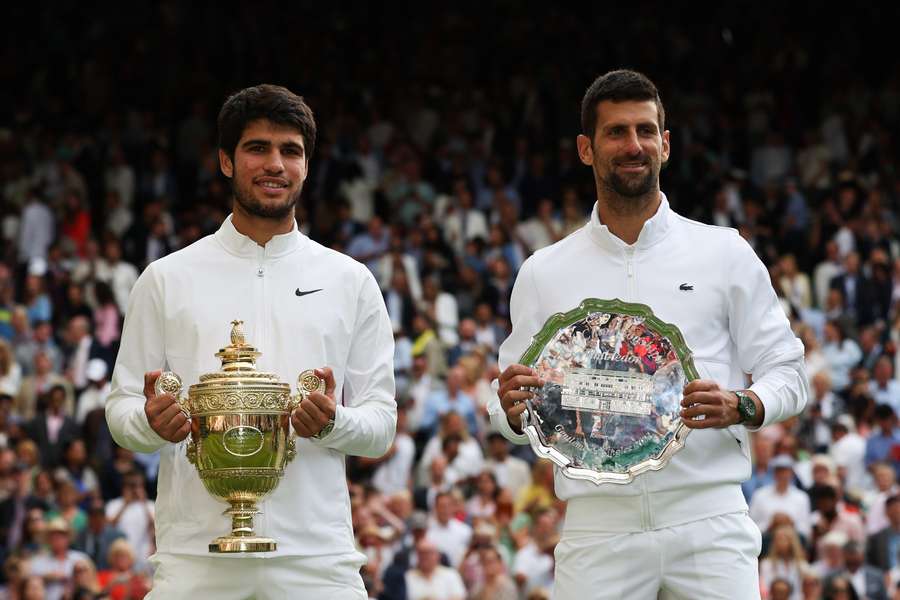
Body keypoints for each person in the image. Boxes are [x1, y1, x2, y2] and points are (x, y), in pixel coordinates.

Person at [489, 69, 809, 599]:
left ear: (665, 144)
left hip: (707, 520)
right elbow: (508, 407)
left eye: (644, 130)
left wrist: (744, 404)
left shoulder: (723, 251)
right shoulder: (544, 271)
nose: (632, 145)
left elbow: (789, 372)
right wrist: (508, 408)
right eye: (616, 132)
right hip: (598, 529)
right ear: (586, 149)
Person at [105, 84, 396, 598]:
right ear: (225, 160)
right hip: (196, 560)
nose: (275, 164)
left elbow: (381, 426)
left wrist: (334, 422)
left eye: (291, 151)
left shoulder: (351, 280)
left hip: (317, 559)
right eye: (257, 148)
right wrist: (150, 424)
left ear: (307, 166)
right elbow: (122, 408)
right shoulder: (167, 278)